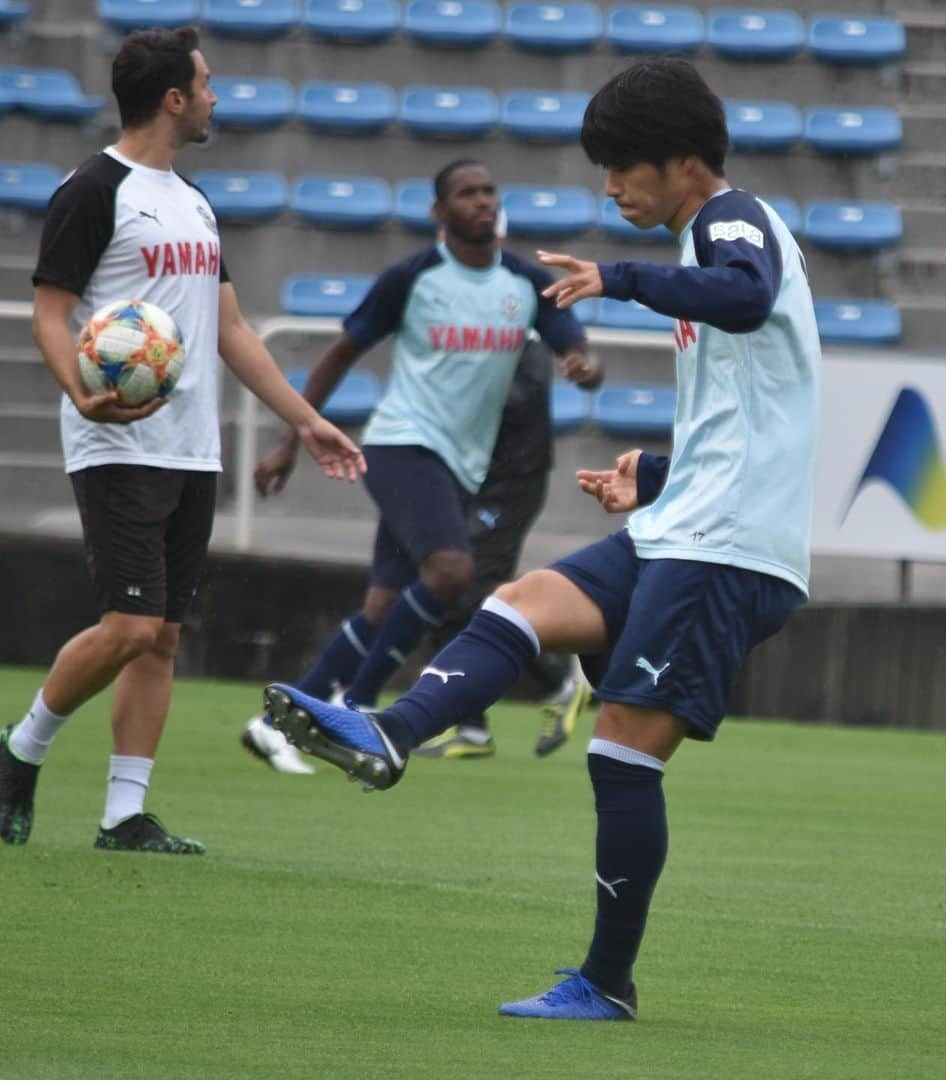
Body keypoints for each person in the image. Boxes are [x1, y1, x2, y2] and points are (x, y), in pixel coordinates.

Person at [264, 55, 819, 1019]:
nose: (609, 186)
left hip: (726, 548)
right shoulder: (711, 241)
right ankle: (389, 734)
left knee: (620, 754)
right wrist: (649, 477)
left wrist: (619, 281)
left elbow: (748, 295)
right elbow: (753, 413)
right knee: (516, 603)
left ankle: (606, 984)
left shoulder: (730, 224)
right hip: (687, 522)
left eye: (622, 167)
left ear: (683, 162)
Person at [0, 27, 363, 855]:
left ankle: (124, 816)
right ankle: (19, 751)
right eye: (205, 84)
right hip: (118, 440)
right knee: (129, 626)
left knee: (161, 635)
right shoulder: (93, 189)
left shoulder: (194, 201)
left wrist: (303, 420)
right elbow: (52, 313)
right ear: (173, 99)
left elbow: (231, 329)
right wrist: (81, 395)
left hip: (192, 446)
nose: (215, 96)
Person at [241, 160, 596, 774]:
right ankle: (359, 707)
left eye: (490, 191)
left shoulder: (524, 283)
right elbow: (341, 353)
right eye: (468, 193)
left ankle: (273, 725)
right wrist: (292, 436)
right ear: (440, 213)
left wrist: (584, 364)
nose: (483, 202)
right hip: (402, 445)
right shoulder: (414, 277)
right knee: (452, 569)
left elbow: (575, 344)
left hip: (461, 464)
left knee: (382, 604)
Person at [413, 335, 594, 761]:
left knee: (469, 589)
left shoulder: (520, 338)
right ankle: (472, 727)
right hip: (476, 477)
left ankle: (555, 685)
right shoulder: (478, 329)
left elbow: (518, 397)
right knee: (449, 585)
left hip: (511, 484)